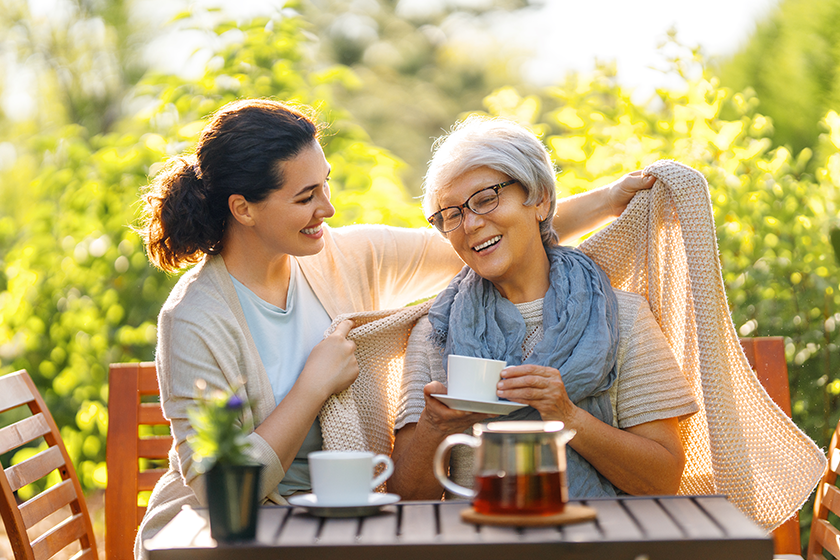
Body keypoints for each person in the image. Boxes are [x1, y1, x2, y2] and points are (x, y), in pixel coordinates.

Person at [134, 98, 653, 557]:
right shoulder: (196, 320)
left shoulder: (340, 255)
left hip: (350, 519)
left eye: (327, 184)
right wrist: (313, 387)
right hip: (242, 534)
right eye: (305, 197)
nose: (328, 209)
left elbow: (476, 239)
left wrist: (609, 199)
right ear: (243, 208)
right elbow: (219, 491)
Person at [389, 115, 699, 500]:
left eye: (485, 199)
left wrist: (568, 417)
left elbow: (663, 481)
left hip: (596, 542)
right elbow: (405, 500)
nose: (469, 224)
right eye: (451, 215)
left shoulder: (621, 317)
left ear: (540, 200)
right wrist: (435, 426)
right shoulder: (436, 331)